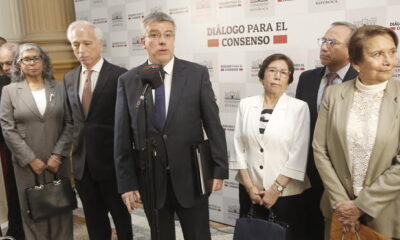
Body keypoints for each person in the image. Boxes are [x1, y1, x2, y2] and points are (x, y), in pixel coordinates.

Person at [114, 11, 228, 240]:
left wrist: (219, 168)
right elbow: (122, 136)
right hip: (151, 181)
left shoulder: (196, 74)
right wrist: (127, 183)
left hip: (192, 177)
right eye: (154, 35)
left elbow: (213, 125)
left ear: (174, 39)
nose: (162, 40)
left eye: (168, 35)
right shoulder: (129, 80)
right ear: (143, 41)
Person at [313, 25, 400, 240]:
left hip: (386, 212)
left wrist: (361, 205)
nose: (388, 61)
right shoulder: (334, 94)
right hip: (339, 210)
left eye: (392, 51)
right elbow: (320, 149)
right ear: (356, 63)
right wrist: (342, 204)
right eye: (377, 54)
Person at [64, 20, 132, 240]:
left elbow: (129, 124)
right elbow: (74, 121)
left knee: (122, 222)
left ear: (100, 44)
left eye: (87, 43)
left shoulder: (121, 76)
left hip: (113, 167)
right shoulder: (69, 78)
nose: (81, 50)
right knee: (94, 224)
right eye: (75, 45)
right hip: (83, 169)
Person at [230, 53, 310, 240]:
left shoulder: (299, 108)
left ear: (288, 79)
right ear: (262, 76)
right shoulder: (246, 104)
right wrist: (250, 187)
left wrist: (276, 189)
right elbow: (238, 146)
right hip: (251, 189)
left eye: (283, 72)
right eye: (272, 70)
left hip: (286, 192)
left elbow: (298, 153)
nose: (277, 76)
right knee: (252, 234)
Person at [0, 43, 73, 239]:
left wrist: (57, 155)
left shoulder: (59, 87)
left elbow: (70, 122)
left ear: (44, 61)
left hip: (57, 161)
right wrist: (31, 159)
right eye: (26, 59)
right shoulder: (9, 91)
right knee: (33, 213)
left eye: (36, 58)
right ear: (18, 64)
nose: (32, 63)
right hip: (26, 165)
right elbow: (7, 128)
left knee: (61, 209)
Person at [295, 21, 358, 240]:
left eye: (332, 42)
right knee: (309, 227)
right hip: (308, 174)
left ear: (351, 50)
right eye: (323, 40)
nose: (324, 47)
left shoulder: (360, 82)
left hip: (344, 177)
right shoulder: (307, 78)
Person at [0, 42, 25, 240]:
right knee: (14, 194)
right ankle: (16, 233)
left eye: (9, 63)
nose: (6, 68)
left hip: (37, 149)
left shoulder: (38, 82)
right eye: (2, 64)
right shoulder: (2, 84)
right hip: (9, 149)